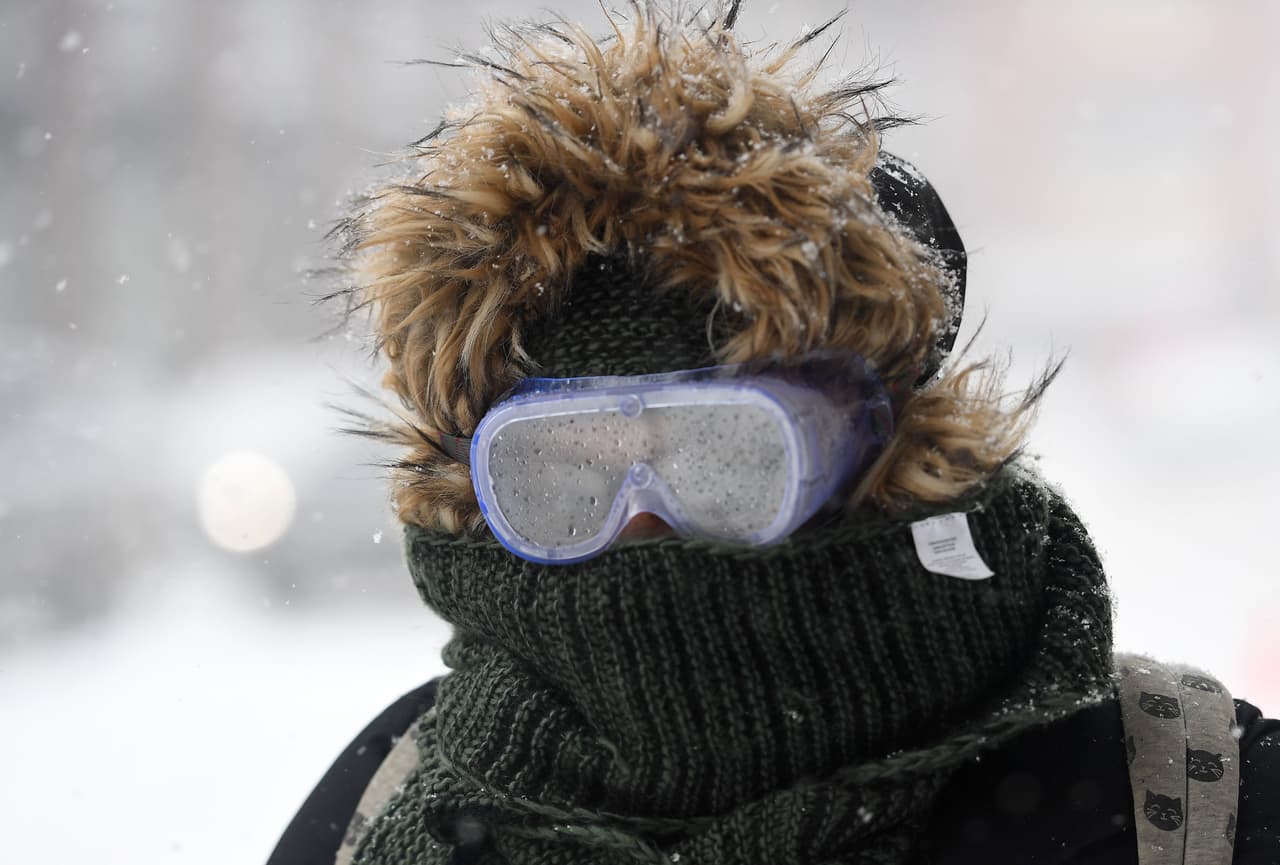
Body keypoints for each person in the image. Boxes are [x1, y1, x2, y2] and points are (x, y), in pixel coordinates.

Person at [270, 3, 1279, 863]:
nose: (643, 528)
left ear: (876, 460)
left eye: (720, 458)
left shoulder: (1187, 801)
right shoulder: (385, 805)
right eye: (559, 477)